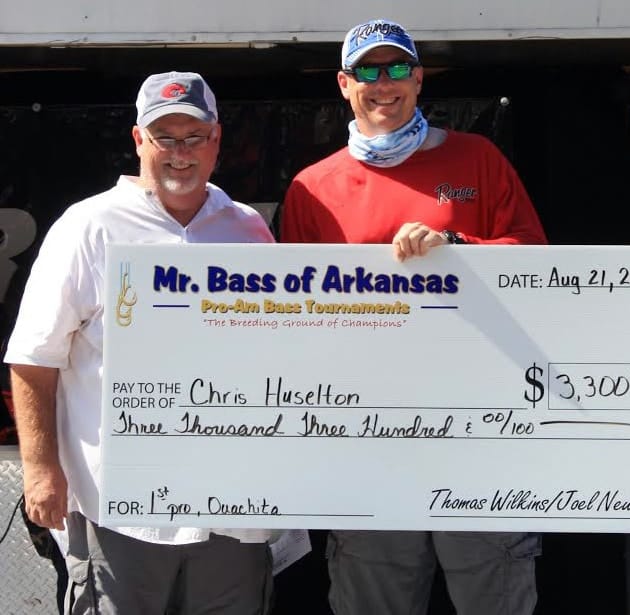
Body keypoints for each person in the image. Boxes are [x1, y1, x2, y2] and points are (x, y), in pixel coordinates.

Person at [280, 19, 547, 615]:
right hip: (367, 440)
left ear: (419, 78)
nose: (384, 83)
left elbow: (537, 264)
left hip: (481, 432)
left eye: (397, 67)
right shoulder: (311, 187)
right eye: (368, 71)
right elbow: (291, 322)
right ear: (344, 85)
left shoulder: (478, 158)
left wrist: (459, 248)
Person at [4, 71, 275, 615]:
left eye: (193, 137)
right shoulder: (88, 226)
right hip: (119, 511)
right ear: (138, 140)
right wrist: (41, 469)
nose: (180, 153)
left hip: (232, 510)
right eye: (164, 138)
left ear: (216, 140)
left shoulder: (247, 228)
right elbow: (34, 358)